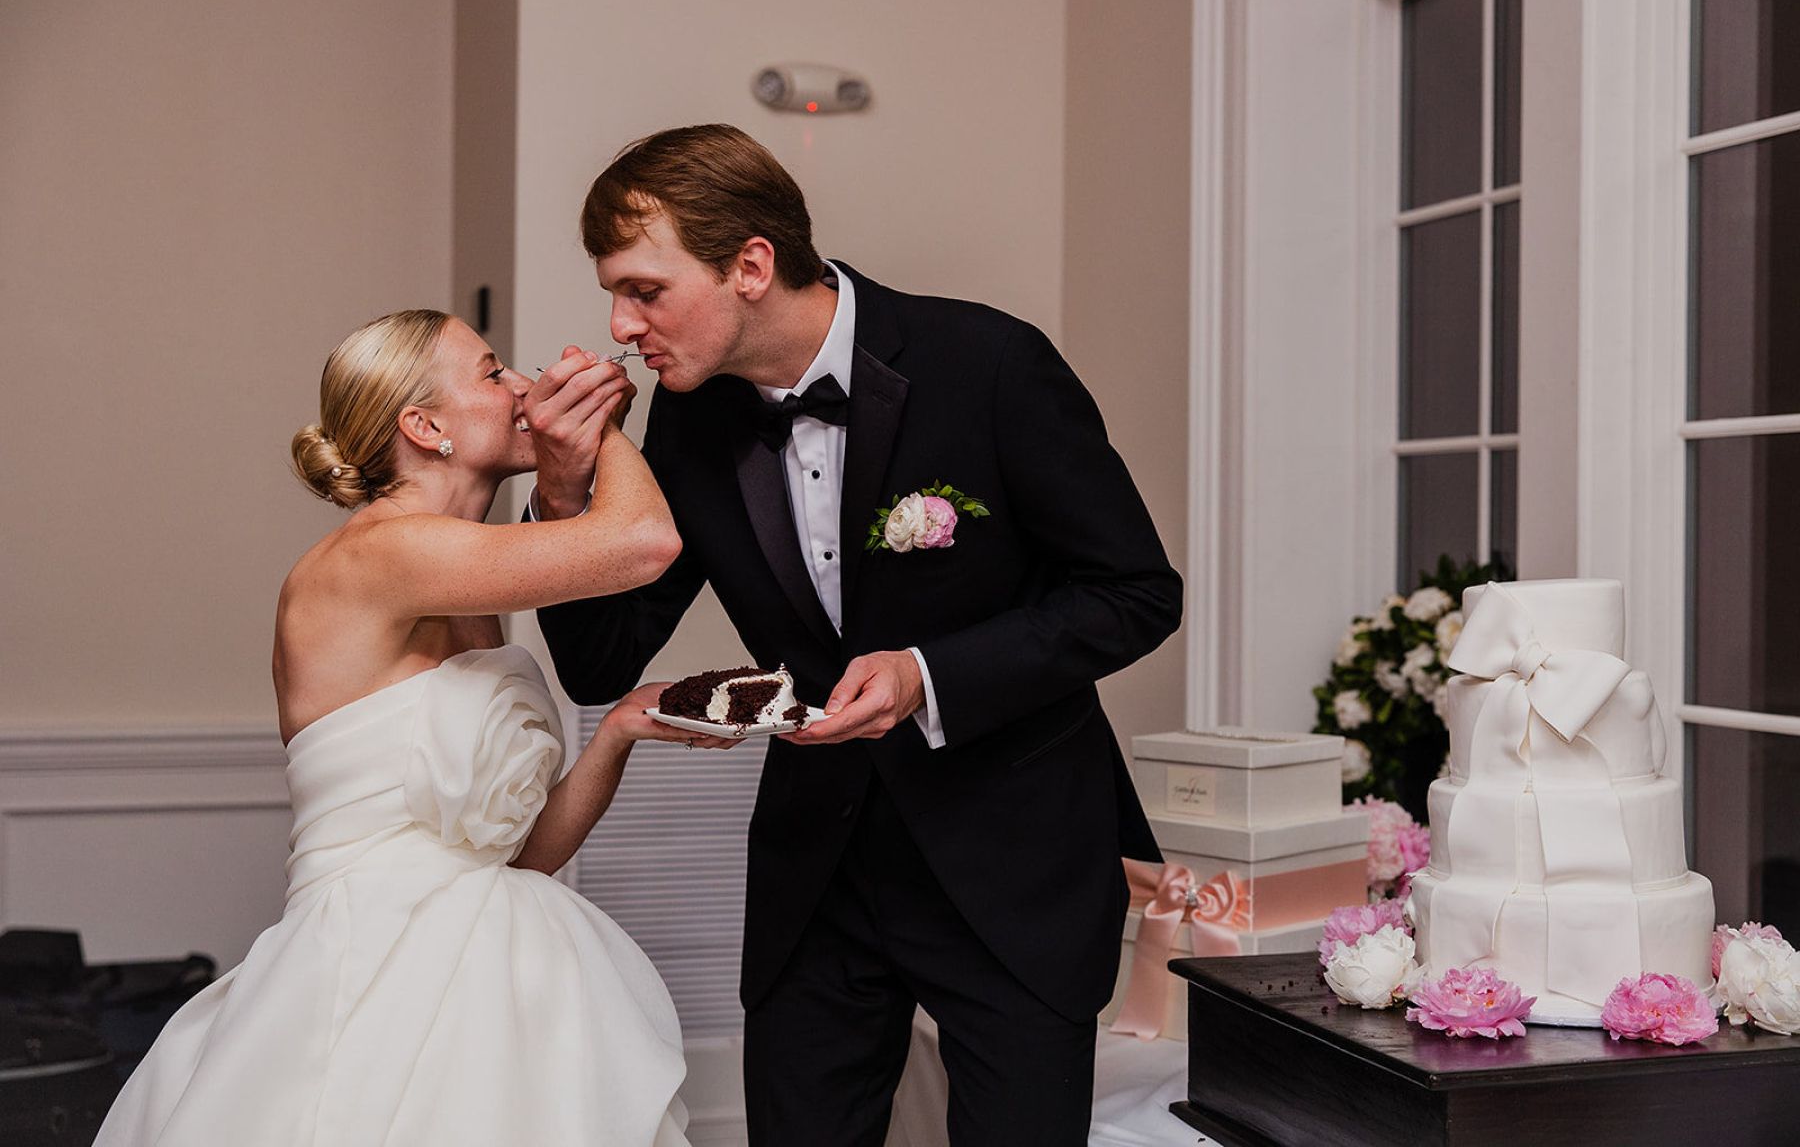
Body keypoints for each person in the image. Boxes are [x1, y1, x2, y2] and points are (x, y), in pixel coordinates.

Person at [531, 124, 1183, 1146]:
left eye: (644, 290)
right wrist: (564, 492)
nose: (620, 326)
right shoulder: (691, 420)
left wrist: (931, 674)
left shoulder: (991, 363)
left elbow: (1135, 592)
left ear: (751, 265)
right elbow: (599, 660)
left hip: (1012, 865)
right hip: (818, 878)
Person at [95, 310, 727, 1146]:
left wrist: (616, 732)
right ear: (424, 427)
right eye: (495, 372)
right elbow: (645, 542)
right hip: (374, 976)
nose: (522, 386)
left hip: (500, 972)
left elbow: (521, 851)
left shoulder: (463, 586)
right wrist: (599, 428)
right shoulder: (381, 556)